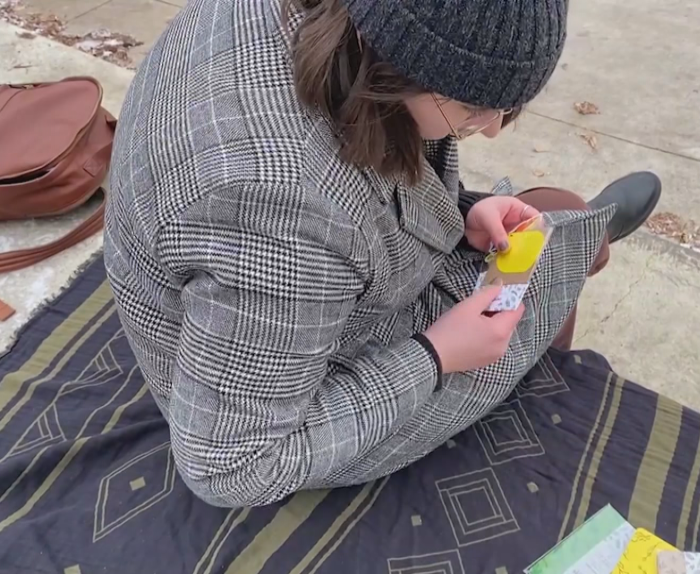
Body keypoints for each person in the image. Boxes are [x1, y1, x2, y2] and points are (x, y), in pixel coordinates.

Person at [104, 0, 661, 508]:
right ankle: (581, 256)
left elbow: (364, 164)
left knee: (535, 226)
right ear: (397, 62)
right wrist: (437, 354)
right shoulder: (278, 205)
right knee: (549, 263)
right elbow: (230, 466)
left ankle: (579, 242)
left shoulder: (343, 30)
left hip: (276, 293)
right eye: (473, 105)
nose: (490, 131)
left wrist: (458, 212)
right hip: (282, 388)